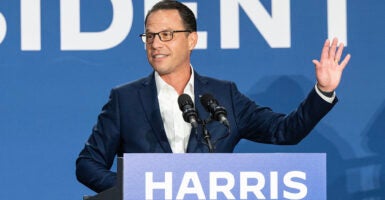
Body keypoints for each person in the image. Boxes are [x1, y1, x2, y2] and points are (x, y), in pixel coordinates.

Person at [76, 0, 351, 193]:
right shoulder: (125, 99)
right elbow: (88, 164)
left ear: (192, 40)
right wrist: (137, 189)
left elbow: (285, 131)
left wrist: (323, 91)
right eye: (149, 36)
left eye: (166, 35)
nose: (155, 44)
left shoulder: (223, 96)